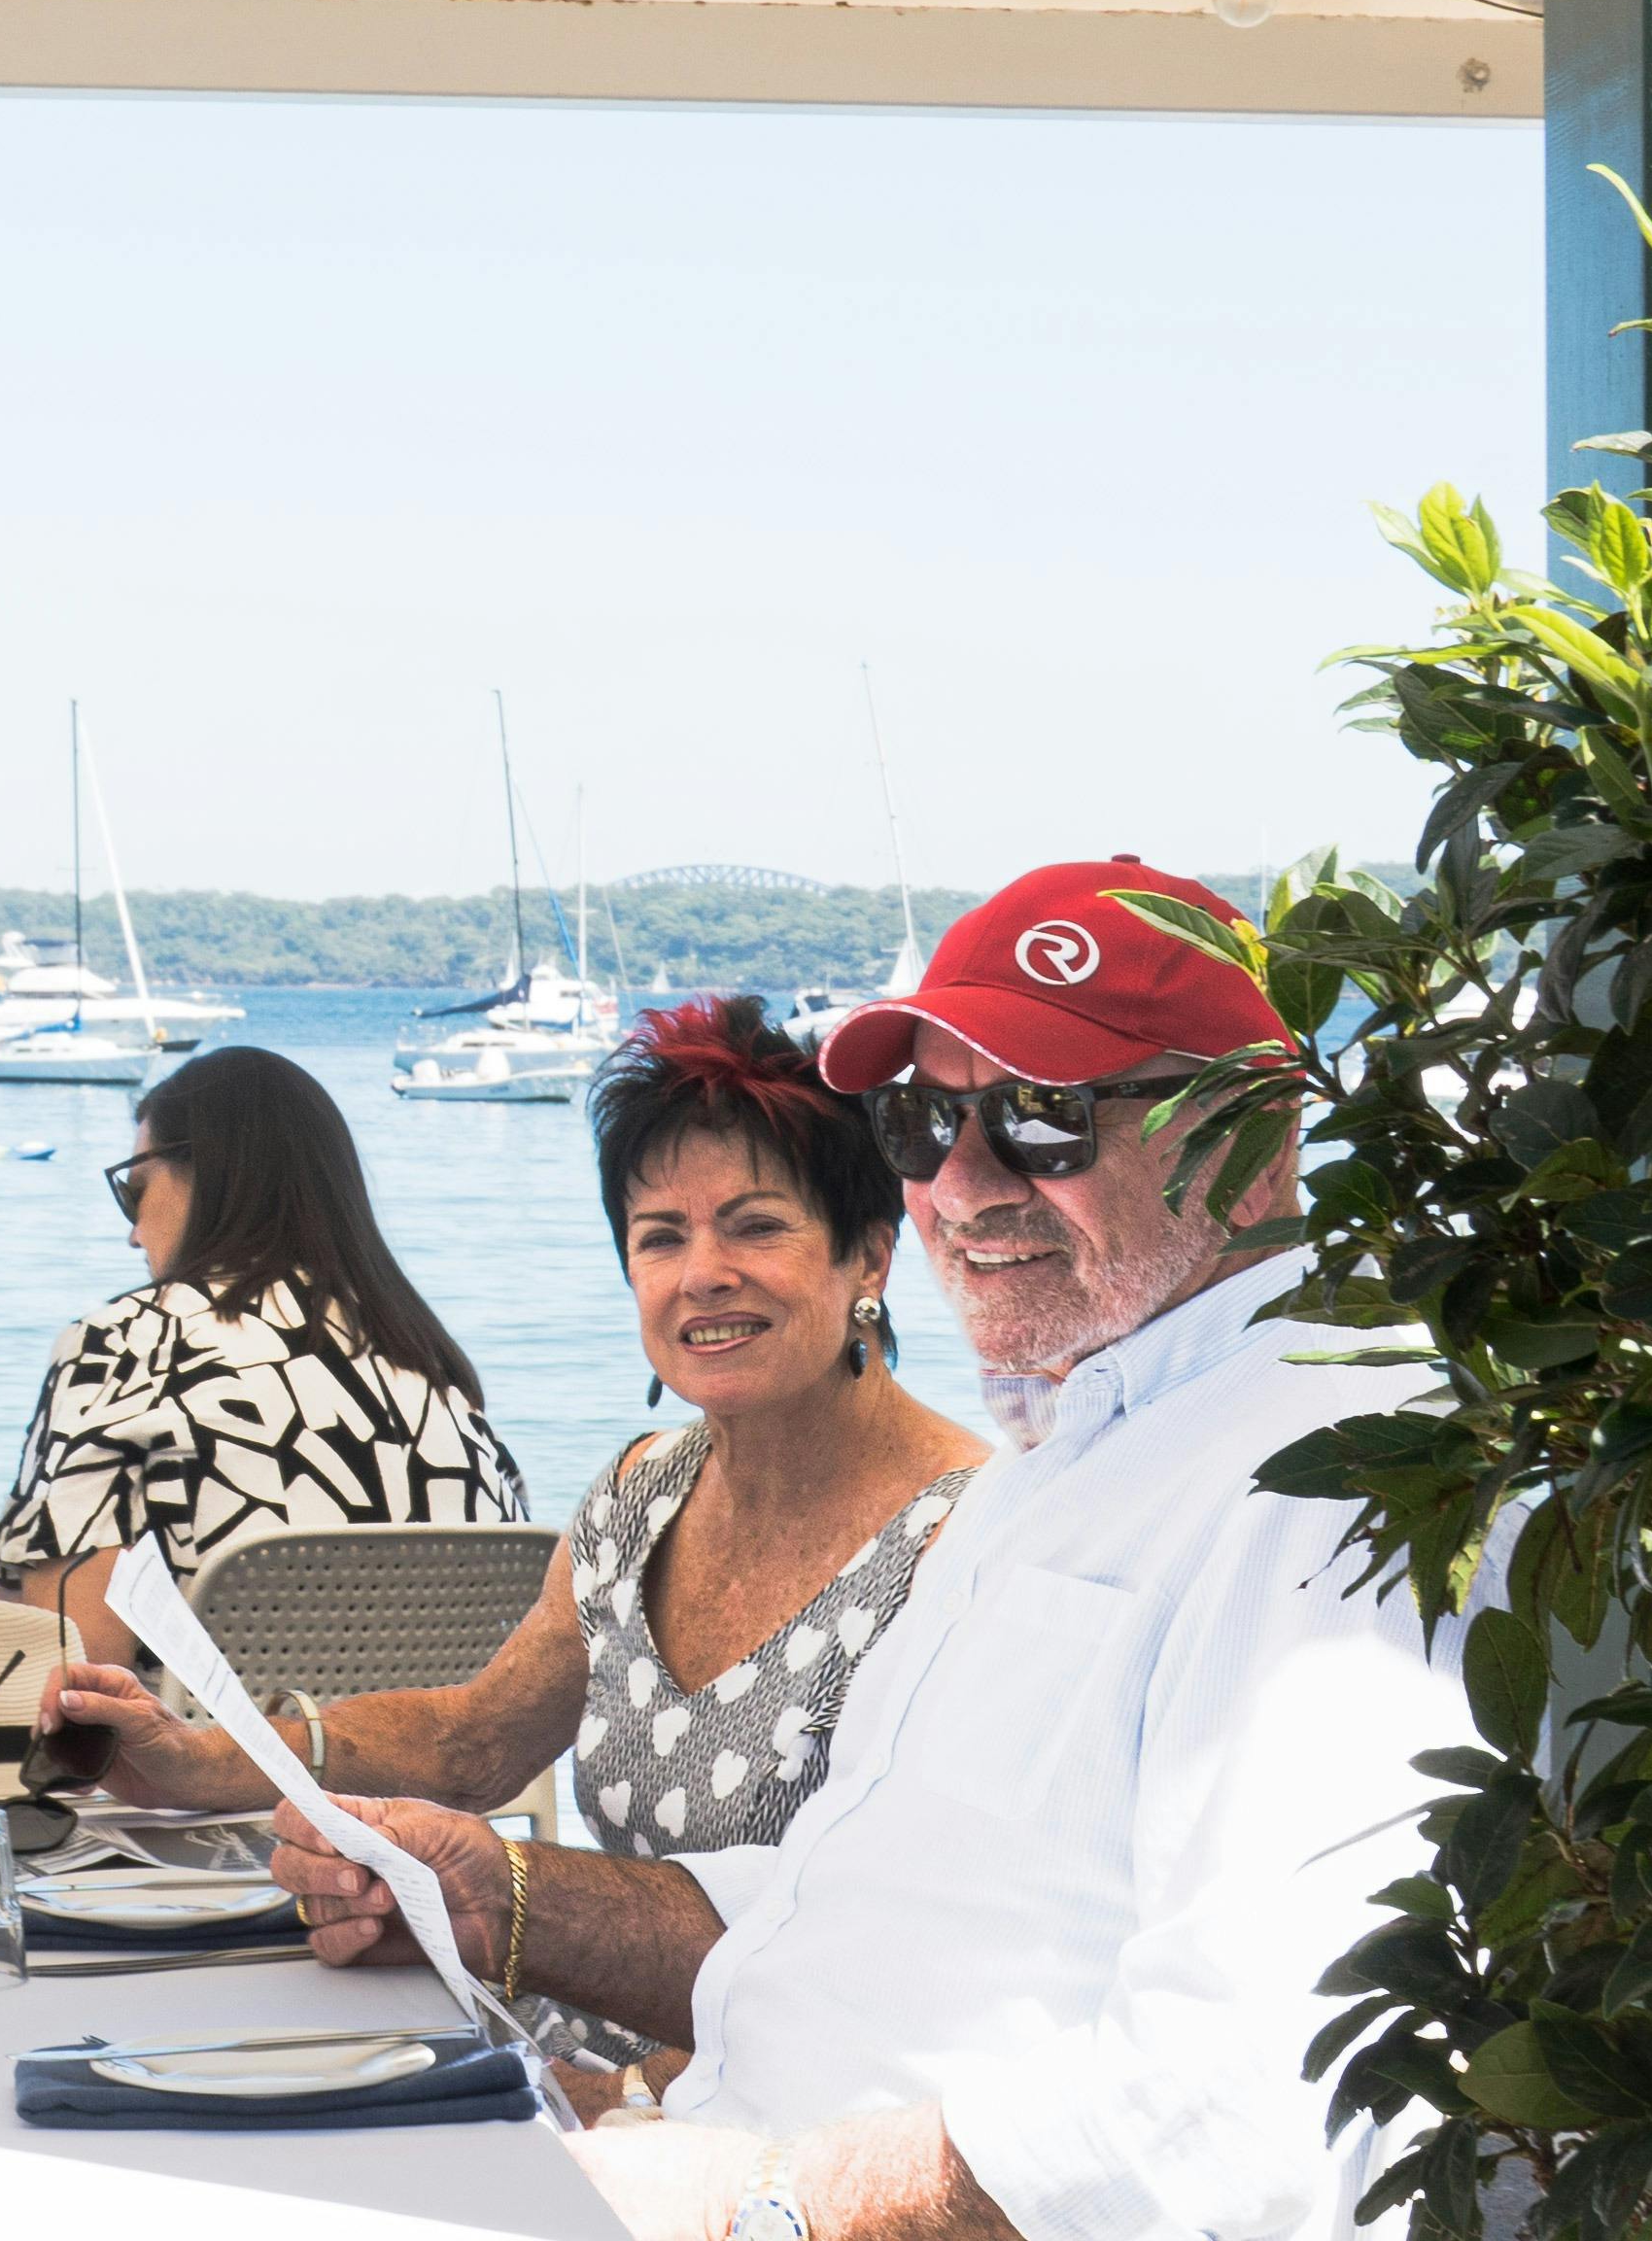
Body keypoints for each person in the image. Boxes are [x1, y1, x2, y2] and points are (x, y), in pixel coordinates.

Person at [260, 858, 1487, 2241]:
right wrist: (510, 1898)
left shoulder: (1342, 1476)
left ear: (1256, 1141)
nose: (961, 1185)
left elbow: (1273, 2095)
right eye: (920, 1122)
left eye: (1041, 1116)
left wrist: (764, 2201)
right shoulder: (1076, 1449)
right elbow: (854, 1902)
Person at [33, 996, 986, 2079]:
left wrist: (601, 2096)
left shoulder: (966, 1541)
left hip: (766, 2108)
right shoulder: (645, 1490)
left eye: (756, 1225)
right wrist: (198, 1762)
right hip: (563, 2054)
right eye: (659, 1236)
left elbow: (914, 1966)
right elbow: (472, 1743)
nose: (701, 1273)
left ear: (869, 1257)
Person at [0, 1044, 523, 1665]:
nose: (133, 1233)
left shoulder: (128, 1343)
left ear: (211, 1175)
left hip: (224, 1762)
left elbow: (77, 1662)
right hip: (436, 1764)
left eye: (135, 1190)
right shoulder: (436, 1380)